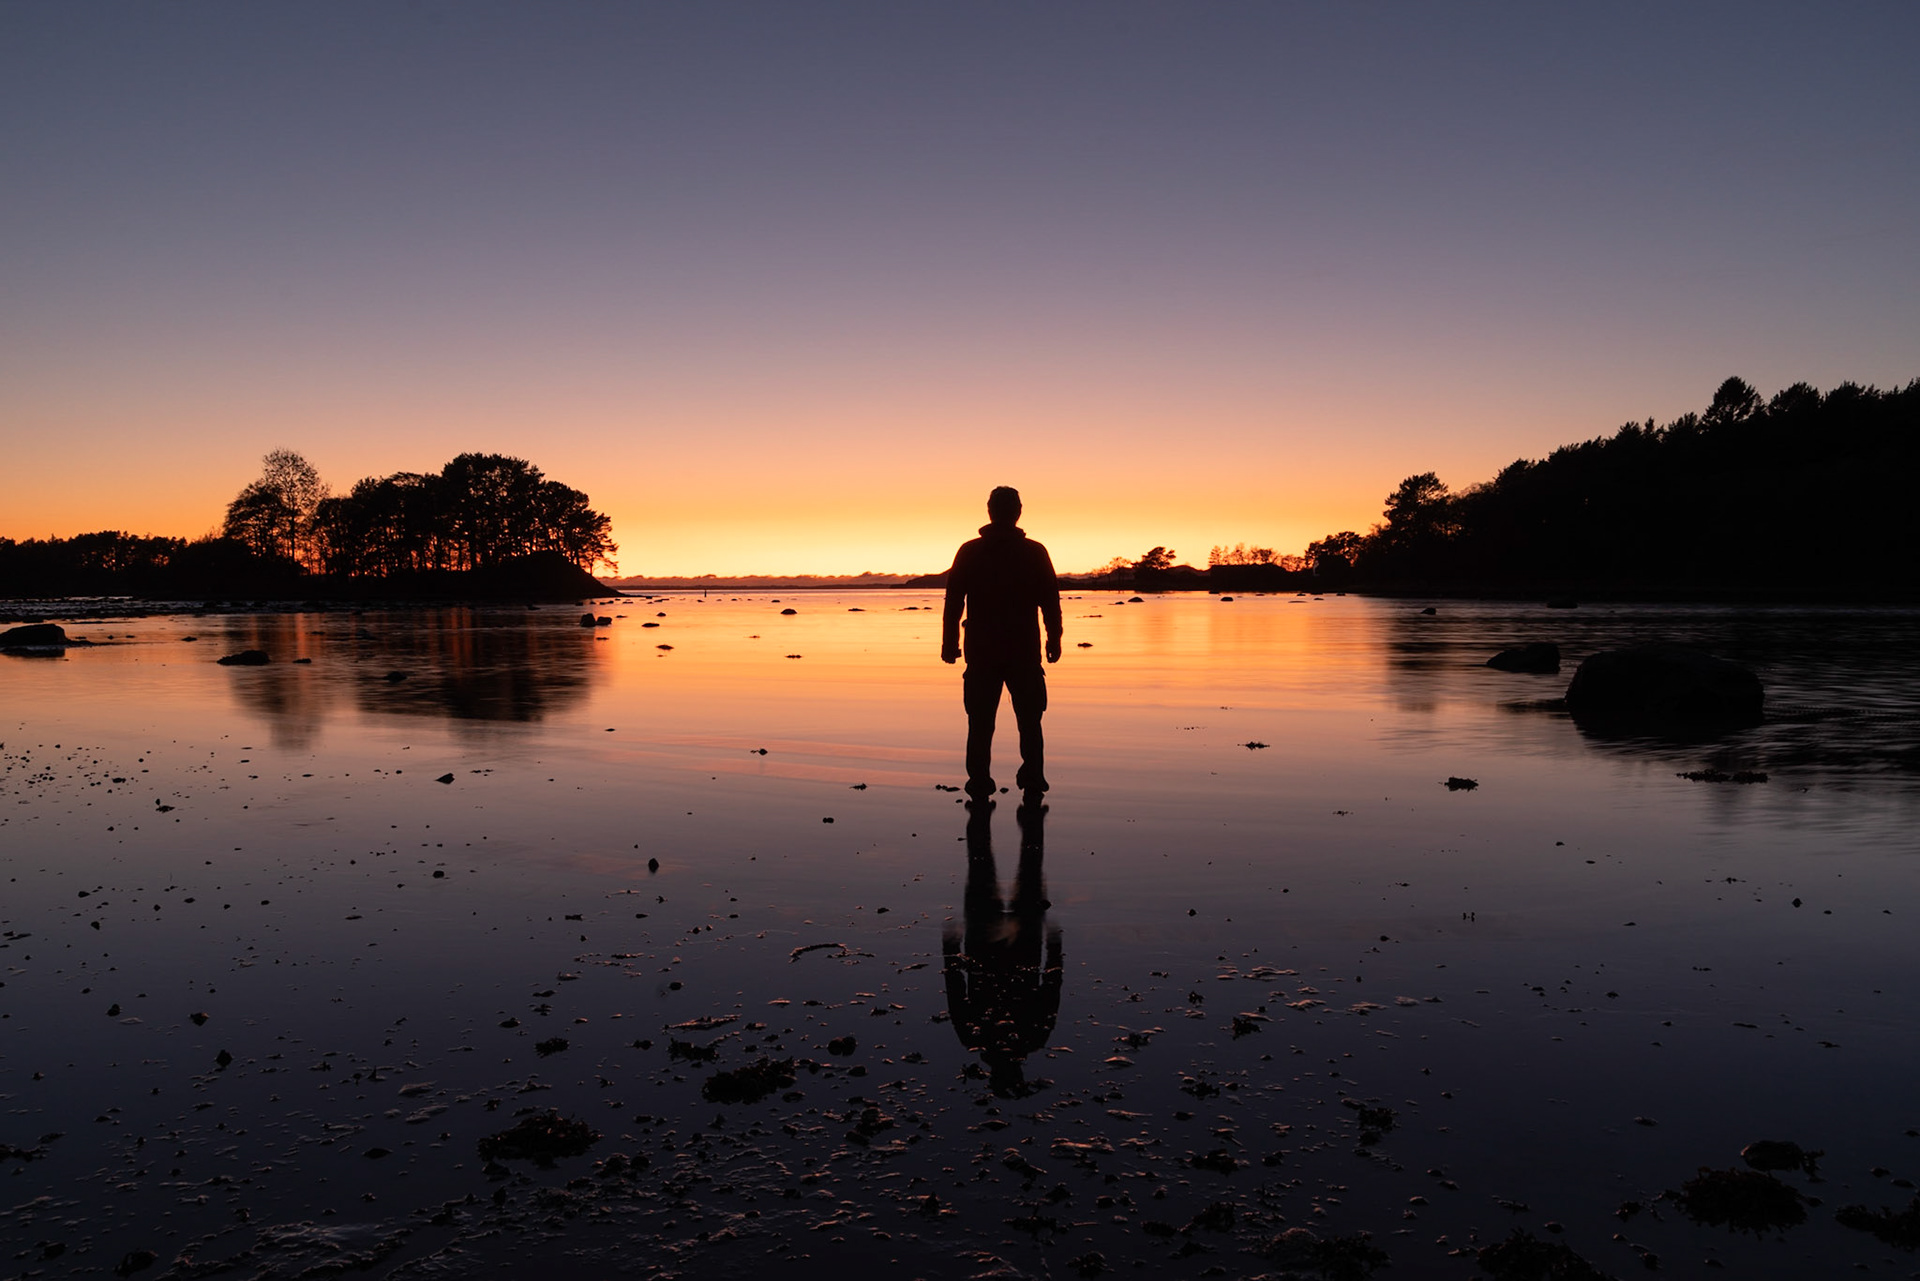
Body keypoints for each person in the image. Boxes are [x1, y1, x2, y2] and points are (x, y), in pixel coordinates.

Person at [941, 486, 1063, 802]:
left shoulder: (970, 551)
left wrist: (949, 643)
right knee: (1029, 720)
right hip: (1021, 648)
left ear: (990, 511)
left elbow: (954, 601)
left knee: (981, 721)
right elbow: (1050, 600)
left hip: (983, 650)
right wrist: (1054, 638)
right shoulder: (1034, 552)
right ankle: (1032, 777)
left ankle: (980, 781)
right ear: (1018, 511)